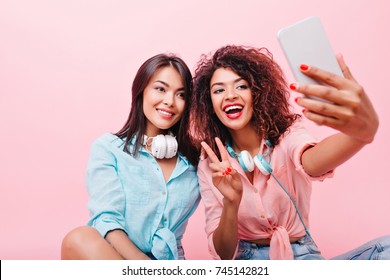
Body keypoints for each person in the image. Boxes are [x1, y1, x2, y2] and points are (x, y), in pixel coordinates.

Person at [189, 45, 390, 260]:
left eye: (241, 86)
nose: (230, 95)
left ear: (257, 93)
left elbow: (311, 161)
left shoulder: (287, 136)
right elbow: (223, 254)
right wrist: (231, 203)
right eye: (219, 90)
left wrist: (359, 135)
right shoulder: (209, 163)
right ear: (209, 104)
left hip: (302, 256)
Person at [61, 53, 200, 260]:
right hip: (117, 259)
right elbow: (106, 220)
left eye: (181, 94)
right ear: (141, 91)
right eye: (160, 89)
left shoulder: (195, 160)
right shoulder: (108, 149)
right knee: (79, 238)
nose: (170, 101)